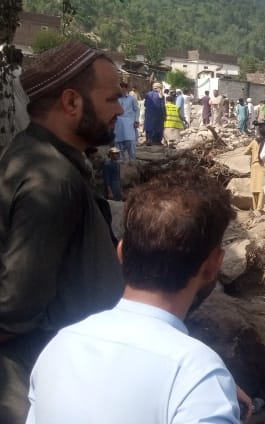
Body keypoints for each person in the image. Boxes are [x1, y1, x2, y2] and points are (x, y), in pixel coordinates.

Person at [27, 171, 247, 424]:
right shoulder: (197, 374)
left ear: (121, 252)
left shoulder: (59, 347)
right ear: (213, 266)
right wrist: (212, 389)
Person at [0, 42, 125, 421]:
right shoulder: (51, 181)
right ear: (71, 102)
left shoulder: (43, 156)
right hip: (38, 380)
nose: (121, 110)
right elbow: (16, 308)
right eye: (112, 99)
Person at [247, 124, 265, 213]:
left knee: (254, 187)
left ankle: (255, 207)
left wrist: (253, 153)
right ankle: (259, 208)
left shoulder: (254, 142)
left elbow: (246, 151)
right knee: (261, 187)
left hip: (254, 166)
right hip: (262, 166)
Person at [114, 85, 139, 162]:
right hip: (118, 123)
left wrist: (136, 121)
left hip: (129, 123)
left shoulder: (132, 99)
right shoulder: (115, 99)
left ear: (127, 89)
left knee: (130, 141)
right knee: (118, 141)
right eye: (120, 90)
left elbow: (137, 110)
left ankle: (132, 159)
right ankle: (121, 159)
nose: (122, 91)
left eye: (123, 90)